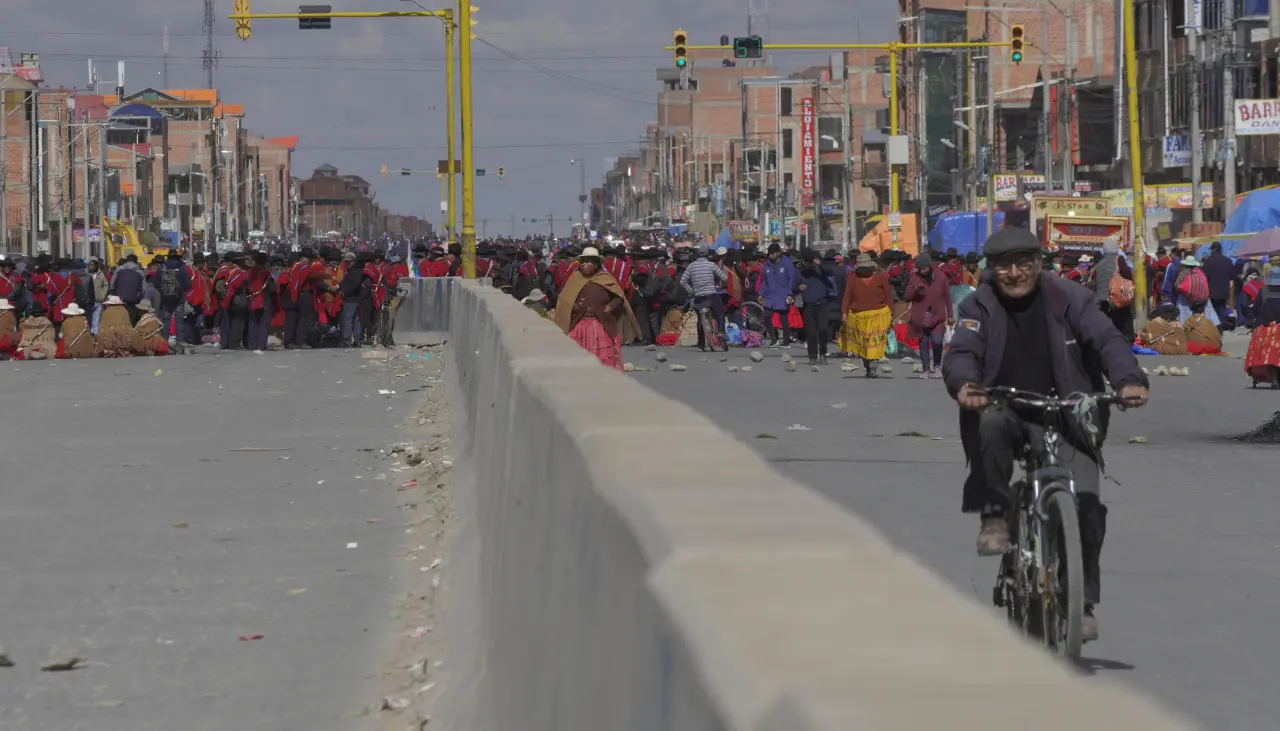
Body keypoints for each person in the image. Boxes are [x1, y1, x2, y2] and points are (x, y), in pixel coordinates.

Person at [943, 226, 1149, 642]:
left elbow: (1106, 339)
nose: (1014, 273)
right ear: (991, 269)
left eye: (1024, 263)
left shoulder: (1071, 298)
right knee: (992, 424)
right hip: (1005, 404)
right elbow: (962, 351)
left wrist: (1127, 380)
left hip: (1069, 412)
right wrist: (966, 385)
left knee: (1088, 505)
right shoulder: (978, 305)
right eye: (1004, 266)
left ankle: (1082, 603)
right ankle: (996, 515)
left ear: (1040, 264)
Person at [552, 247, 640, 370]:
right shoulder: (575, 278)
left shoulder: (605, 278)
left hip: (600, 325)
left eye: (587, 262)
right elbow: (565, 298)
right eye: (582, 262)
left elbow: (619, 297)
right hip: (579, 325)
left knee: (603, 357)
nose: (583, 265)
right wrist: (574, 305)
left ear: (595, 264)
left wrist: (609, 307)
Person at [839, 252, 895, 377]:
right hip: (859, 316)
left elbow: (888, 296)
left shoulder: (880, 277)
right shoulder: (853, 278)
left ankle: (873, 367)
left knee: (873, 343)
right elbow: (847, 296)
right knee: (863, 344)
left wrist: (891, 313)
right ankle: (867, 367)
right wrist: (844, 312)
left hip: (878, 315)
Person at [905, 252, 953, 378]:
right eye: (920, 269)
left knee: (937, 342)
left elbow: (947, 297)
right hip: (921, 317)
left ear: (930, 266)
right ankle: (925, 369)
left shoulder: (941, 277)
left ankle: (937, 366)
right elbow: (907, 296)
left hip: (938, 316)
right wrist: (916, 292)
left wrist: (951, 314)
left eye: (924, 268)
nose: (922, 271)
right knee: (923, 343)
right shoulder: (914, 278)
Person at [793, 250, 838, 365]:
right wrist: (798, 288)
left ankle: (823, 354)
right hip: (808, 305)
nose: (806, 264)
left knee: (823, 330)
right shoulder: (799, 272)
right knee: (811, 333)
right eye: (804, 261)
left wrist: (820, 264)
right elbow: (793, 288)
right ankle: (812, 356)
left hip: (822, 304)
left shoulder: (820, 270)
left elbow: (830, 272)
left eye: (808, 262)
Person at [679, 248, 728, 351]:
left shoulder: (691, 266)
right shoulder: (711, 265)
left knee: (699, 319)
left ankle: (701, 344)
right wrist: (722, 284)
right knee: (720, 312)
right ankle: (721, 331)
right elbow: (724, 277)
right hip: (711, 295)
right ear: (707, 255)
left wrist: (691, 291)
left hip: (698, 297)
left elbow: (683, 281)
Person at [1244, 267, 1280, 386]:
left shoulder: (1263, 291)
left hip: (1264, 328)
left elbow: (1255, 309)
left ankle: (1267, 377)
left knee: (1262, 350)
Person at [757, 243, 797, 347]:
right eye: (769, 254)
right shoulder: (767, 264)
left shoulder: (787, 263)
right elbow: (764, 281)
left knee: (783, 319)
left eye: (772, 254)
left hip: (782, 294)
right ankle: (773, 338)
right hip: (770, 295)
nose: (770, 256)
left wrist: (789, 293)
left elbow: (791, 279)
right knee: (766, 316)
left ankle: (786, 340)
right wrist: (761, 293)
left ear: (778, 253)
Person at [1201, 241, 1236, 327]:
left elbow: (1204, 277)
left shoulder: (1208, 261)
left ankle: (1216, 325)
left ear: (1212, 250)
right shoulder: (1228, 261)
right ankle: (1221, 323)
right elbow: (1232, 276)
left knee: (1213, 308)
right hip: (1224, 290)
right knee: (1222, 307)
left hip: (1211, 290)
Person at [110, 254, 147, 325]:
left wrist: (114, 294)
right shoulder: (140, 272)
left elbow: (112, 284)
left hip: (119, 300)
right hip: (133, 301)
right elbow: (144, 289)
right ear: (136, 261)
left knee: (120, 320)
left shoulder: (119, 269)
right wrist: (139, 297)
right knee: (131, 321)